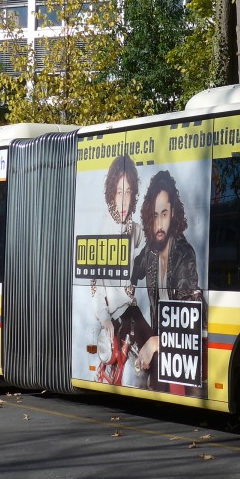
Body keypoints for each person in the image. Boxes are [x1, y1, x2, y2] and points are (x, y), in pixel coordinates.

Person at [130, 169, 204, 390]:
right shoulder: (150, 253)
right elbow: (132, 270)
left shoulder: (184, 254)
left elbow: (188, 322)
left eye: (164, 213)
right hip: (159, 343)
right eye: (155, 215)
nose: (159, 224)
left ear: (173, 213)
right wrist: (127, 286)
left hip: (182, 350)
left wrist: (154, 343)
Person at [91, 155, 154, 386]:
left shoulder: (135, 230)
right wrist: (105, 317)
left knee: (154, 350)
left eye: (129, 192)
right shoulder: (103, 228)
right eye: (120, 192)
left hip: (133, 312)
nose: (124, 200)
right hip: (117, 318)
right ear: (112, 194)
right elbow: (95, 284)